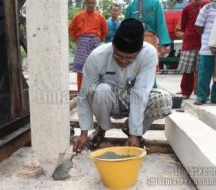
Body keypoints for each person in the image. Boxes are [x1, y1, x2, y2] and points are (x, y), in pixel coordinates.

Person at [73, 18, 172, 153]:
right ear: (113, 45)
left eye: (130, 58)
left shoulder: (148, 54)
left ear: (139, 50)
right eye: (119, 56)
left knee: (164, 100)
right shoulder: (97, 56)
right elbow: (84, 95)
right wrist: (83, 133)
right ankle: (101, 128)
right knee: (100, 90)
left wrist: (135, 133)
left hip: (133, 98)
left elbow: (141, 92)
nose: (124, 61)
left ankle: (132, 130)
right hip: (109, 99)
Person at [68, 0, 108, 91]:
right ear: (85, 3)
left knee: (95, 67)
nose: (91, 5)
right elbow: (71, 29)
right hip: (82, 43)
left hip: (95, 42)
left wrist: (98, 40)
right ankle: (80, 91)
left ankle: (93, 90)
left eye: (92, 3)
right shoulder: (78, 16)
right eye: (89, 3)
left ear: (95, 4)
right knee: (80, 70)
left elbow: (104, 31)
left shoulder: (100, 17)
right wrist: (78, 39)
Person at [176, 0, 208, 99]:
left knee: (201, 70)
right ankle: (187, 92)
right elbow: (183, 26)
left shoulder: (207, 5)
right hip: (191, 42)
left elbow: (183, 26)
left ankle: (199, 93)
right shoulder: (188, 7)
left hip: (202, 42)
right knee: (190, 70)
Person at [194, 0, 216, 105]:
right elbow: (198, 26)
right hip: (207, 48)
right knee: (204, 74)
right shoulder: (207, 8)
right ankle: (201, 97)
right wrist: (209, 38)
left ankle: (215, 97)